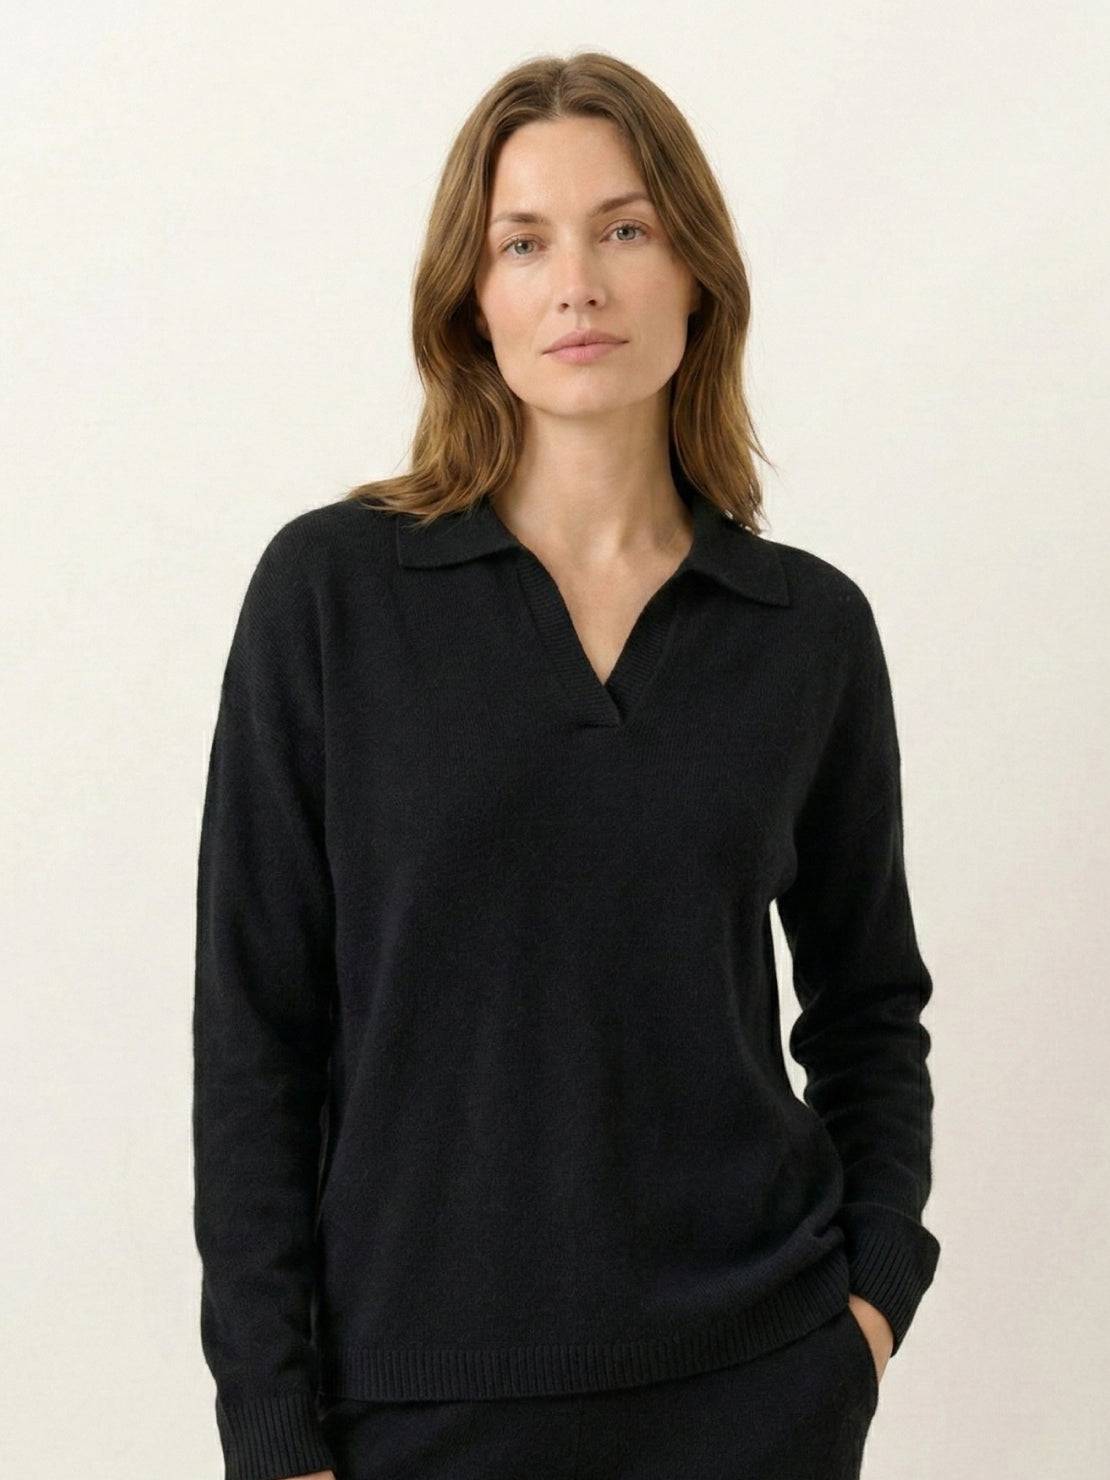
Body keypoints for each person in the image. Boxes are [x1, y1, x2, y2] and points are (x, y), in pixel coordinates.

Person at [192, 51, 940, 1480]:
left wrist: (867, 1310)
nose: (577, 285)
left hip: (754, 1391)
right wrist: (272, 1428)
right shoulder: (333, 597)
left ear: (695, 272)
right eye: (523, 243)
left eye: (624, 229)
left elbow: (867, 1007)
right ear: (470, 300)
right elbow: (256, 1036)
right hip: (415, 1405)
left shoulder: (805, 630)